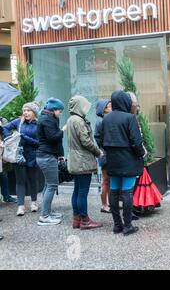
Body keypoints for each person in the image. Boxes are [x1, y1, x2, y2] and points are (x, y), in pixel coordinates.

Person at [97, 90, 145, 236]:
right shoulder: (130, 118)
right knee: (127, 192)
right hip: (128, 160)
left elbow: (99, 138)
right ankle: (128, 226)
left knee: (114, 190)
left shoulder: (106, 119)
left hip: (112, 160)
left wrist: (108, 149)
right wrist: (141, 154)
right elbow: (136, 142)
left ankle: (117, 225)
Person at [67, 95, 103, 230]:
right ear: (79, 106)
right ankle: (85, 221)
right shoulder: (79, 121)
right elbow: (86, 141)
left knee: (76, 190)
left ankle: (76, 219)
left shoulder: (71, 119)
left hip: (75, 159)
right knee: (82, 192)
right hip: (83, 160)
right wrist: (98, 152)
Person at [2, 102, 40, 216]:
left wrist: (24, 137)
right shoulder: (18, 122)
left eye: (28, 110)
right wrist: (10, 137)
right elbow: (4, 128)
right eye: (24, 110)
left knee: (33, 180)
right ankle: (20, 206)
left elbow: (39, 143)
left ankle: (34, 202)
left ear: (34, 113)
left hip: (33, 156)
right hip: (18, 155)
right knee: (20, 181)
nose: (26, 113)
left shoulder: (38, 124)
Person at [36, 98, 65, 226]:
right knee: (52, 185)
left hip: (46, 156)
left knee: (48, 185)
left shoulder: (48, 117)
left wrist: (60, 155)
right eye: (60, 110)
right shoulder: (47, 119)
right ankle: (44, 216)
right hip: (46, 157)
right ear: (54, 110)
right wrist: (63, 130)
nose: (60, 113)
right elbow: (53, 138)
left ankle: (47, 211)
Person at [94, 99, 112, 213]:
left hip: (105, 153)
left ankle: (109, 203)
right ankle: (104, 205)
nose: (112, 108)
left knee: (108, 180)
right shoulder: (102, 121)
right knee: (105, 180)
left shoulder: (103, 120)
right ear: (104, 109)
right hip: (105, 153)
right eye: (110, 106)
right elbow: (99, 139)